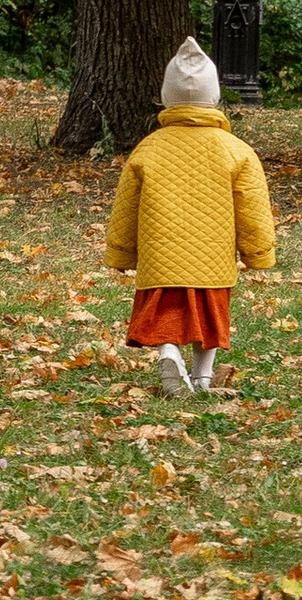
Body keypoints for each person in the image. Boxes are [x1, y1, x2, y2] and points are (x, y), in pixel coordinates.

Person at [106, 39, 277, 397]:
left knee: (165, 313)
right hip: (212, 258)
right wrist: (258, 253)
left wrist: (122, 253)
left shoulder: (148, 147)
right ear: (214, 98)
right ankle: (202, 376)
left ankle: (169, 354)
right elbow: (252, 207)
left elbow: (127, 206)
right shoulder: (236, 151)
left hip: (160, 257)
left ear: (167, 98)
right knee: (210, 315)